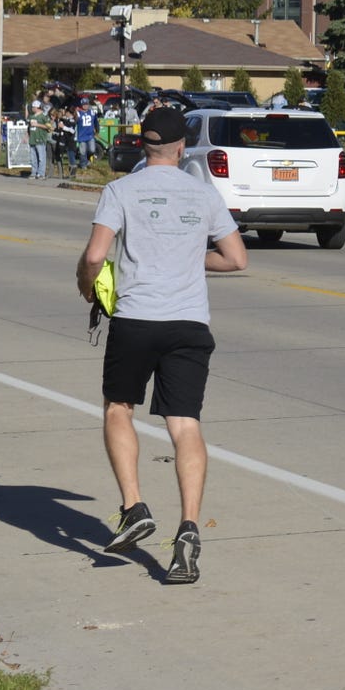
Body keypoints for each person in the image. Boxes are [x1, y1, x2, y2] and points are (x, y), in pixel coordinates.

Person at [73, 105, 247, 584]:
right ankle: (188, 529)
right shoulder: (203, 194)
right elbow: (237, 259)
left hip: (136, 320)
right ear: (181, 148)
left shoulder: (119, 190)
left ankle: (134, 508)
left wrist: (88, 286)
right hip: (189, 323)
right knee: (185, 424)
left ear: (143, 146)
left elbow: (94, 255)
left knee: (117, 408)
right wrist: (191, 258)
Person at [28, 100, 51, 181]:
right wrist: (26, 136)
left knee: (41, 157)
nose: (32, 108)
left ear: (37, 107)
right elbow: (29, 127)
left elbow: (49, 126)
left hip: (40, 139)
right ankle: (34, 172)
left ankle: (41, 173)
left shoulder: (44, 116)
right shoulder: (31, 116)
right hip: (32, 139)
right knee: (33, 158)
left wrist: (38, 124)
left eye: (33, 107)